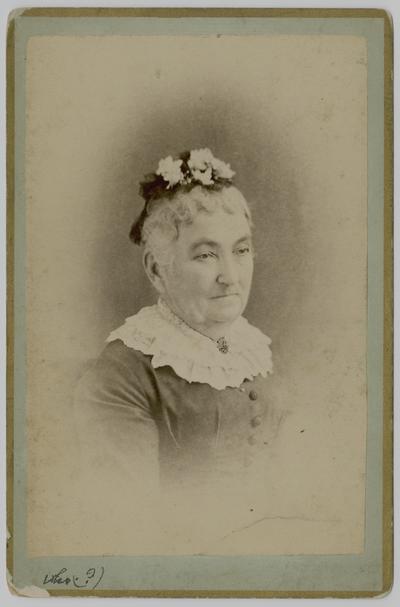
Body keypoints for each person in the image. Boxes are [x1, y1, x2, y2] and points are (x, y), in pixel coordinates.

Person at [73, 148, 284, 552]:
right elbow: (125, 533)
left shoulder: (256, 352)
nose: (230, 276)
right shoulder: (122, 374)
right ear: (156, 269)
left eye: (241, 250)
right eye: (206, 255)